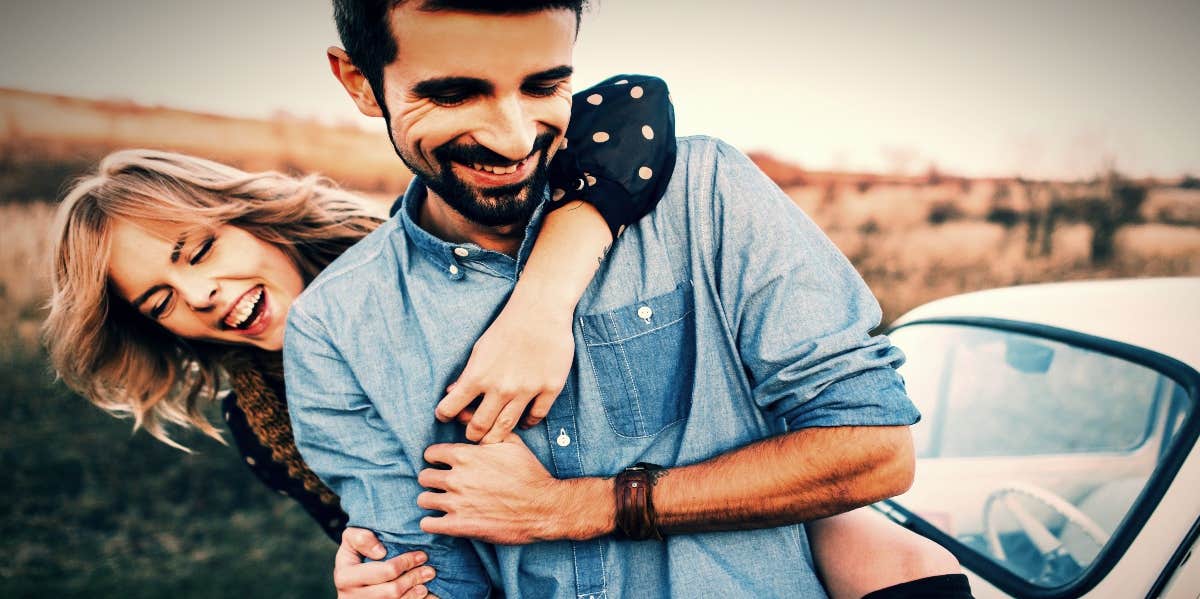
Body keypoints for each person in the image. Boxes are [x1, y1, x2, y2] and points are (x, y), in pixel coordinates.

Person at [44, 75, 965, 596]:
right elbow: (413, 537)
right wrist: (375, 573)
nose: (199, 294)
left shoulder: (433, 240)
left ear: (247, 216)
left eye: (199, 250)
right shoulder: (266, 421)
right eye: (159, 301)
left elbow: (630, 112)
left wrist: (542, 298)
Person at [285, 1, 972, 598]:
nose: (514, 138)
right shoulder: (335, 329)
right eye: (455, 94)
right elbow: (433, 569)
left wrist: (577, 507)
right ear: (360, 82)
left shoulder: (707, 194)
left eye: (544, 84)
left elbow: (875, 450)